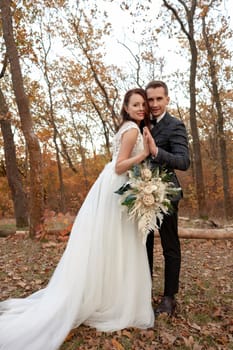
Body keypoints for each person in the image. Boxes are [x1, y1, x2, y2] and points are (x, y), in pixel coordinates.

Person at [0, 88, 156, 350]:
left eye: (143, 105)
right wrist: (145, 153)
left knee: (111, 244)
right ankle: (113, 300)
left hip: (111, 187)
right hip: (116, 186)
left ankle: (107, 293)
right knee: (119, 243)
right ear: (126, 108)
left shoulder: (129, 127)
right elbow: (120, 164)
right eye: (136, 104)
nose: (141, 108)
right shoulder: (131, 130)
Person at [143, 80, 190, 316]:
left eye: (159, 99)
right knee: (144, 246)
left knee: (170, 246)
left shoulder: (175, 125)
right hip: (140, 195)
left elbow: (184, 162)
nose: (154, 104)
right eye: (150, 99)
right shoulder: (140, 123)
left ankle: (169, 298)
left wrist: (157, 152)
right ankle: (143, 291)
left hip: (166, 194)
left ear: (167, 99)